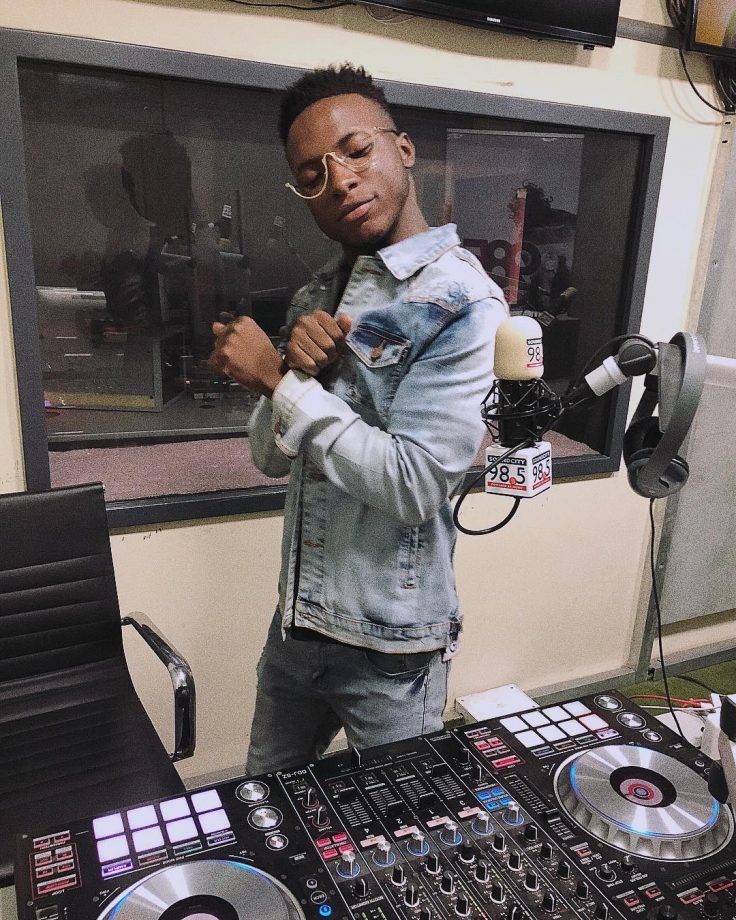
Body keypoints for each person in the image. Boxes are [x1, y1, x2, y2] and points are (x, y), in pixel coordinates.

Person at [208, 64, 508, 775]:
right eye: (312, 175)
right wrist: (294, 379)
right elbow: (270, 459)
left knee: (402, 826)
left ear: (402, 149)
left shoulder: (463, 302)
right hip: (299, 625)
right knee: (268, 812)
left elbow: (415, 484)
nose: (340, 180)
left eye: (356, 150)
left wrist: (277, 379)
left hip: (392, 648)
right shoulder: (318, 294)